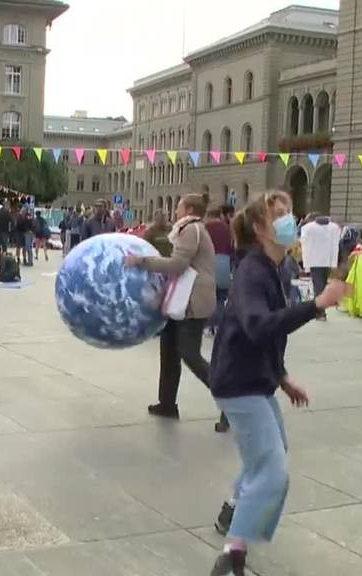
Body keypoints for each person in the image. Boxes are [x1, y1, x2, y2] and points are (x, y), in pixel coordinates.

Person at [207, 191, 346, 576]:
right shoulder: (253, 270)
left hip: (255, 378)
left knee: (270, 454)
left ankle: (233, 510)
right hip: (239, 382)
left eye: (289, 212)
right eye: (279, 215)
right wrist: (317, 304)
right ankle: (231, 554)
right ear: (259, 228)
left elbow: (268, 335)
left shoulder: (275, 268)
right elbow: (257, 326)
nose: (289, 220)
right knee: (272, 471)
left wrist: (282, 379)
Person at [125, 194, 228, 433]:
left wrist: (141, 261)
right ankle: (167, 404)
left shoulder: (191, 229)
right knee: (169, 348)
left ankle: (231, 404)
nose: (176, 210)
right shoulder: (188, 228)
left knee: (190, 354)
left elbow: (177, 265)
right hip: (181, 300)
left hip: (192, 301)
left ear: (190, 209)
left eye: (179, 206)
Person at [299, 214, 341, 320]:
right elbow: (336, 244)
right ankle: (319, 311)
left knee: (319, 286)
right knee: (320, 286)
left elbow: (303, 242)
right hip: (326, 261)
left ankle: (319, 311)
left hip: (315, 261)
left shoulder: (308, 228)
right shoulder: (334, 228)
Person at [205, 207, 235, 334]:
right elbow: (232, 246)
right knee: (221, 298)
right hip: (224, 263)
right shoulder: (227, 228)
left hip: (209, 262)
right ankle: (219, 326)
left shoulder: (206, 228)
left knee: (209, 297)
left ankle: (208, 326)